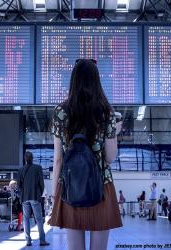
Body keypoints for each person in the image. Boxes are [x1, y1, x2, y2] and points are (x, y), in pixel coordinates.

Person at [48, 59, 123, 250]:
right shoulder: (106, 112)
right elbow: (110, 157)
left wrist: (55, 193)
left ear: (73, 81)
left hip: (71, 186)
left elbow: (58, 159)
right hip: (101, 187)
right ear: (96, 81)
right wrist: (113, 132)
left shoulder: (61, 112)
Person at [18, 151, 49, 247]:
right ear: (32, 158)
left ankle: (28, 240)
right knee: (39, 219)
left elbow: (19, 185)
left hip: (25, 198)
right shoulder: (38, 168)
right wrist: (40, 194)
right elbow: (42, 184)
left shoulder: (21, 170)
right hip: (35, 196)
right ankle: (42, 240)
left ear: (25, 159)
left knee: (26, 219)